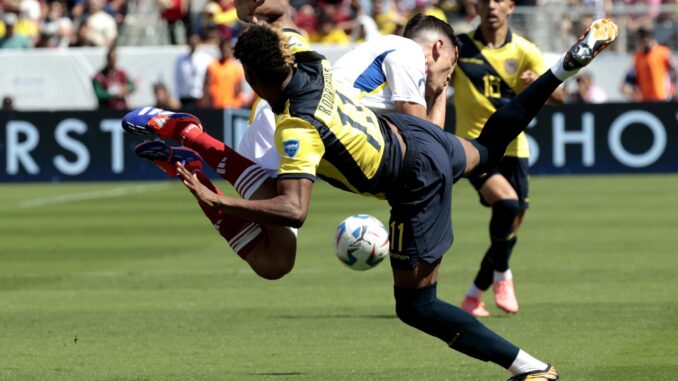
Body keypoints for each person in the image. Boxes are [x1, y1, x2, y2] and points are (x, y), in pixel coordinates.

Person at [122, 11, 617, 379]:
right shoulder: (312, 64)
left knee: (416, 307)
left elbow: (294, 208)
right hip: (415, 136)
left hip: (411, 179)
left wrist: (223, 203)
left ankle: (529, 368)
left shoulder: (297, 126)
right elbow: (285, 35)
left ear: (254, 80)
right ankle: (562, 70)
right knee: (487, 150)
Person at [452, 0, 565, 317]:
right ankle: (504, 276)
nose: (491, 6)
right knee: (507, 204)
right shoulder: (459, 47)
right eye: (485, 0)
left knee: (509, 229)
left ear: (511, 7)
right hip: (475, 148)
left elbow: (559, 99)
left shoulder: (525, 50)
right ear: (475, 5)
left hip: (515, 149)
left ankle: (474, 295)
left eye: (499, 0)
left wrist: (538, 87)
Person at [620, 27, 677, 102]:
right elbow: (631, 75)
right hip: (645, 99)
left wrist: (674, 90)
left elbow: (674, 70)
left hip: (663, 98)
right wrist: (631, 91)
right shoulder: (638, 56)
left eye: (642, 41)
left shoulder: (662, 52)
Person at [174, 34, 215, 109]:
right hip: (185, 96)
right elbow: (177, 79)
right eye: (191, 42)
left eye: (195, 42)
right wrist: (176, 96)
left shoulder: (206, 59)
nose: (193, 44)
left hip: (200, 96)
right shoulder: (181, 59)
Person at [203, 39, 246, 109]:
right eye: (223, 49)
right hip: (216, 106)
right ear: (220, 50)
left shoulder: (236, 68)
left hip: (232, 106)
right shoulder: (212, 66)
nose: (225, 51)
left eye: (227, 49)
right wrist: (206, 103)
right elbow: (206, 86)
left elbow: (239, 89)